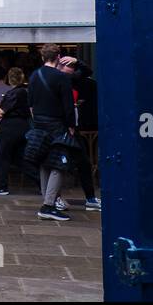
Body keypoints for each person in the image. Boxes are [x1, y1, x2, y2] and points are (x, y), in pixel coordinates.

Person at [25, 44, 79, 221]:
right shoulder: (61, 77)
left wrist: (37, 121)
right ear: (58, 57)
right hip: (57, 125)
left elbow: (30, 104)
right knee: (58, 164)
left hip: (39, 125)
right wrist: (71, 126)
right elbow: (68, 105)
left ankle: (47, 200)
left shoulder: (34, 76)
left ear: (42, 57)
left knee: (43, 163)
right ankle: (48, 205)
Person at [0, 68, 37, 195]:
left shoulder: (13, 93)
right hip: (23, 125)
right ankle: (42, 182)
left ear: (9, 79)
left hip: (10, 127)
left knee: (1, 156)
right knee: (22, 158)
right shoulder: (27, 92)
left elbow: (2, 110)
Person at [67, 57, 101, 211]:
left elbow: (87, 70)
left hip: (74, 127)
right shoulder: (62, 79)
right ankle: (53, 199)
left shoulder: (71, 79)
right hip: (69, 126)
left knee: (83, 162)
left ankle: (90, 197)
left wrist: (75, 61)